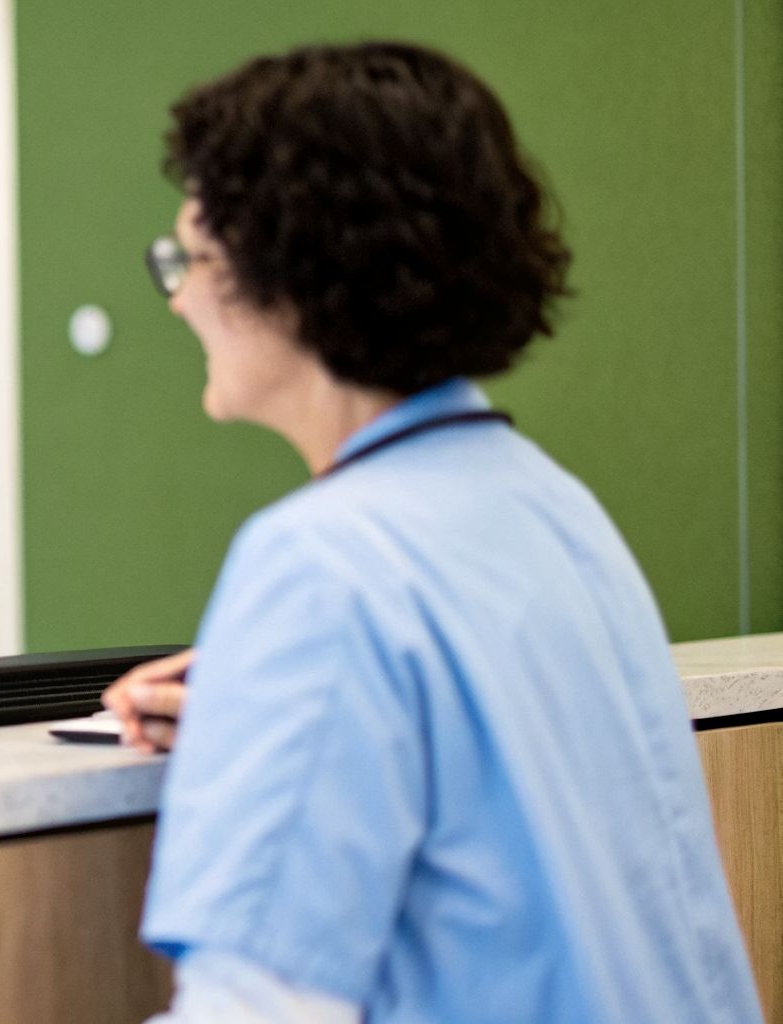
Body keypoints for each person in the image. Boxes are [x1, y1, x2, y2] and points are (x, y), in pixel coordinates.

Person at [99, 42, 760, 1023]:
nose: (180, 296)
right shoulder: (554, 511)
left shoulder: (319, 565)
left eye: (189, 257)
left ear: (291, 274)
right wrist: (280, 728)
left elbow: (255, 1009)